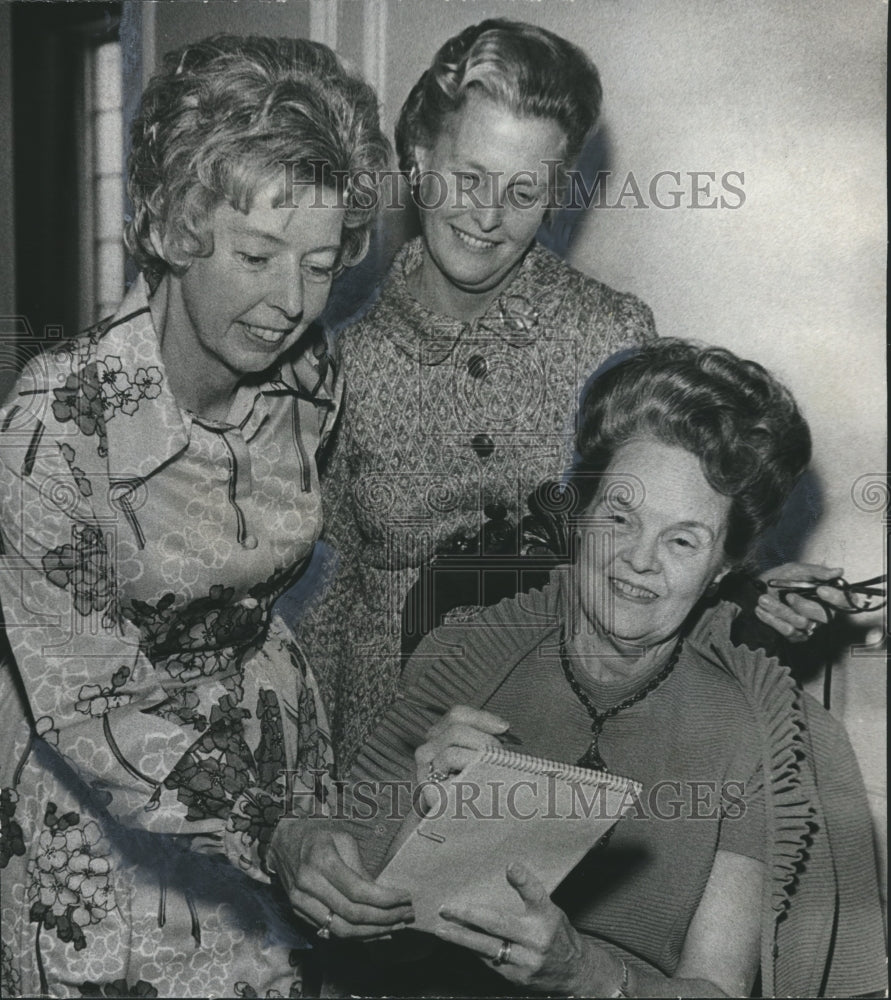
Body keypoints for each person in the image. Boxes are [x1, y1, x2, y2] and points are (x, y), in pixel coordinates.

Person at [290, 18, 846, 777]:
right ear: (418, 157)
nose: (487, 217)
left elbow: (652, 536)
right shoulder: (336, 366)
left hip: (574, 742)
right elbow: (324, 607)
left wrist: (741, 588)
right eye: (469, 177)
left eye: (523, 190)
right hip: (394, 750)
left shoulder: (610, 332)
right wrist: (326, 801)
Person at [0, 35, 411, 998]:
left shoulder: (310, 376)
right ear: (176, 228)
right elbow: (91, 702)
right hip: (105, 809)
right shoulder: (51, 432)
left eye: (319, 263)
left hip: (281, 796)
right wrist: (268, 821)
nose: (292, 304)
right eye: (257, 255)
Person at [341, 340, 886, 997]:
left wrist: (587, 975)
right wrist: (421, 830)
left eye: (681, 540)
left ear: (721, 569)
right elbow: (364, 949)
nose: (639, 560)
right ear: (581, 516)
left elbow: (714, 989)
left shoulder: (749, 734)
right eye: (620, 518)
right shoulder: (467, 661)